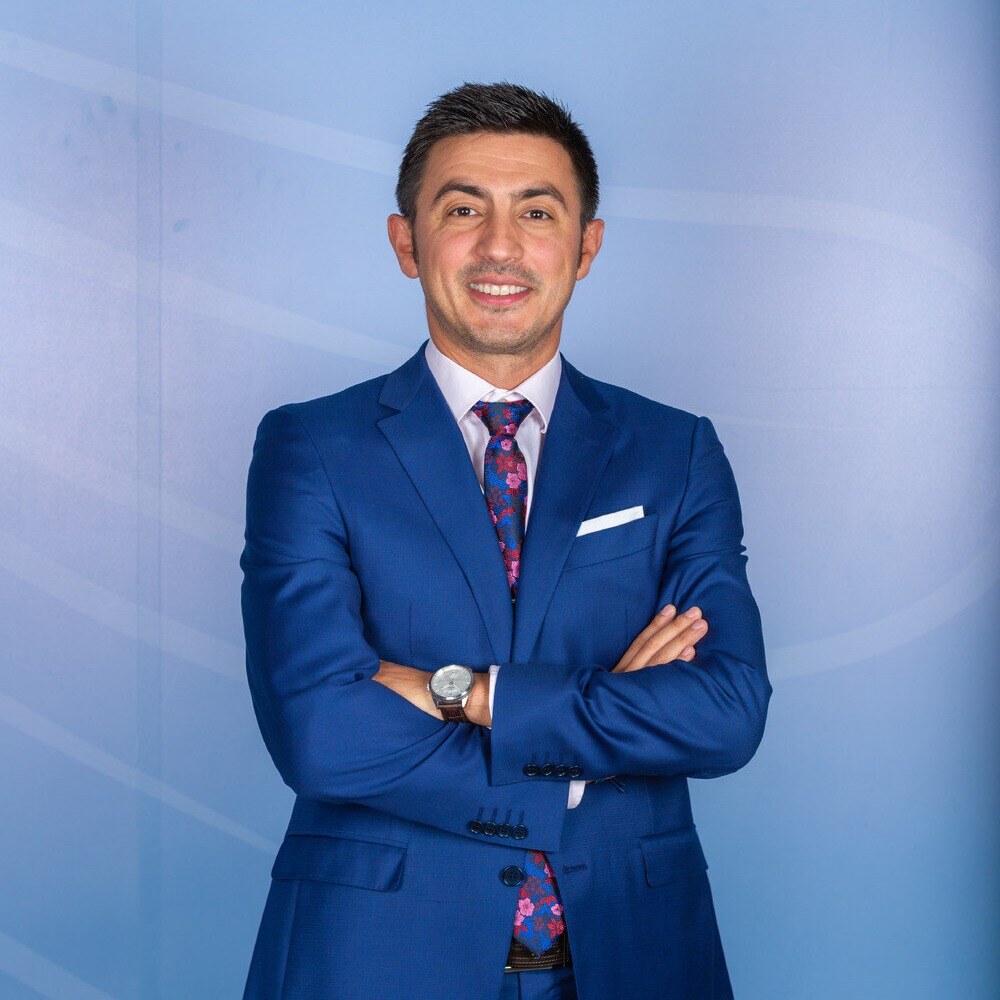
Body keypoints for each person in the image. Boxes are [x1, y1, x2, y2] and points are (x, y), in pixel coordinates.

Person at [240, 81, 770, 1000]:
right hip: (377, 958)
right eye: (462, 209)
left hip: (637, 953)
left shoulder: (674, 451)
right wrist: (581, 761)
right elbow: (320, 731)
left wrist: (469, 694)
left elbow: (725, 710)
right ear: (406, 242)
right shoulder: (311, 447)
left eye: (536, 211)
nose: (499, 246)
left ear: (585, 246)